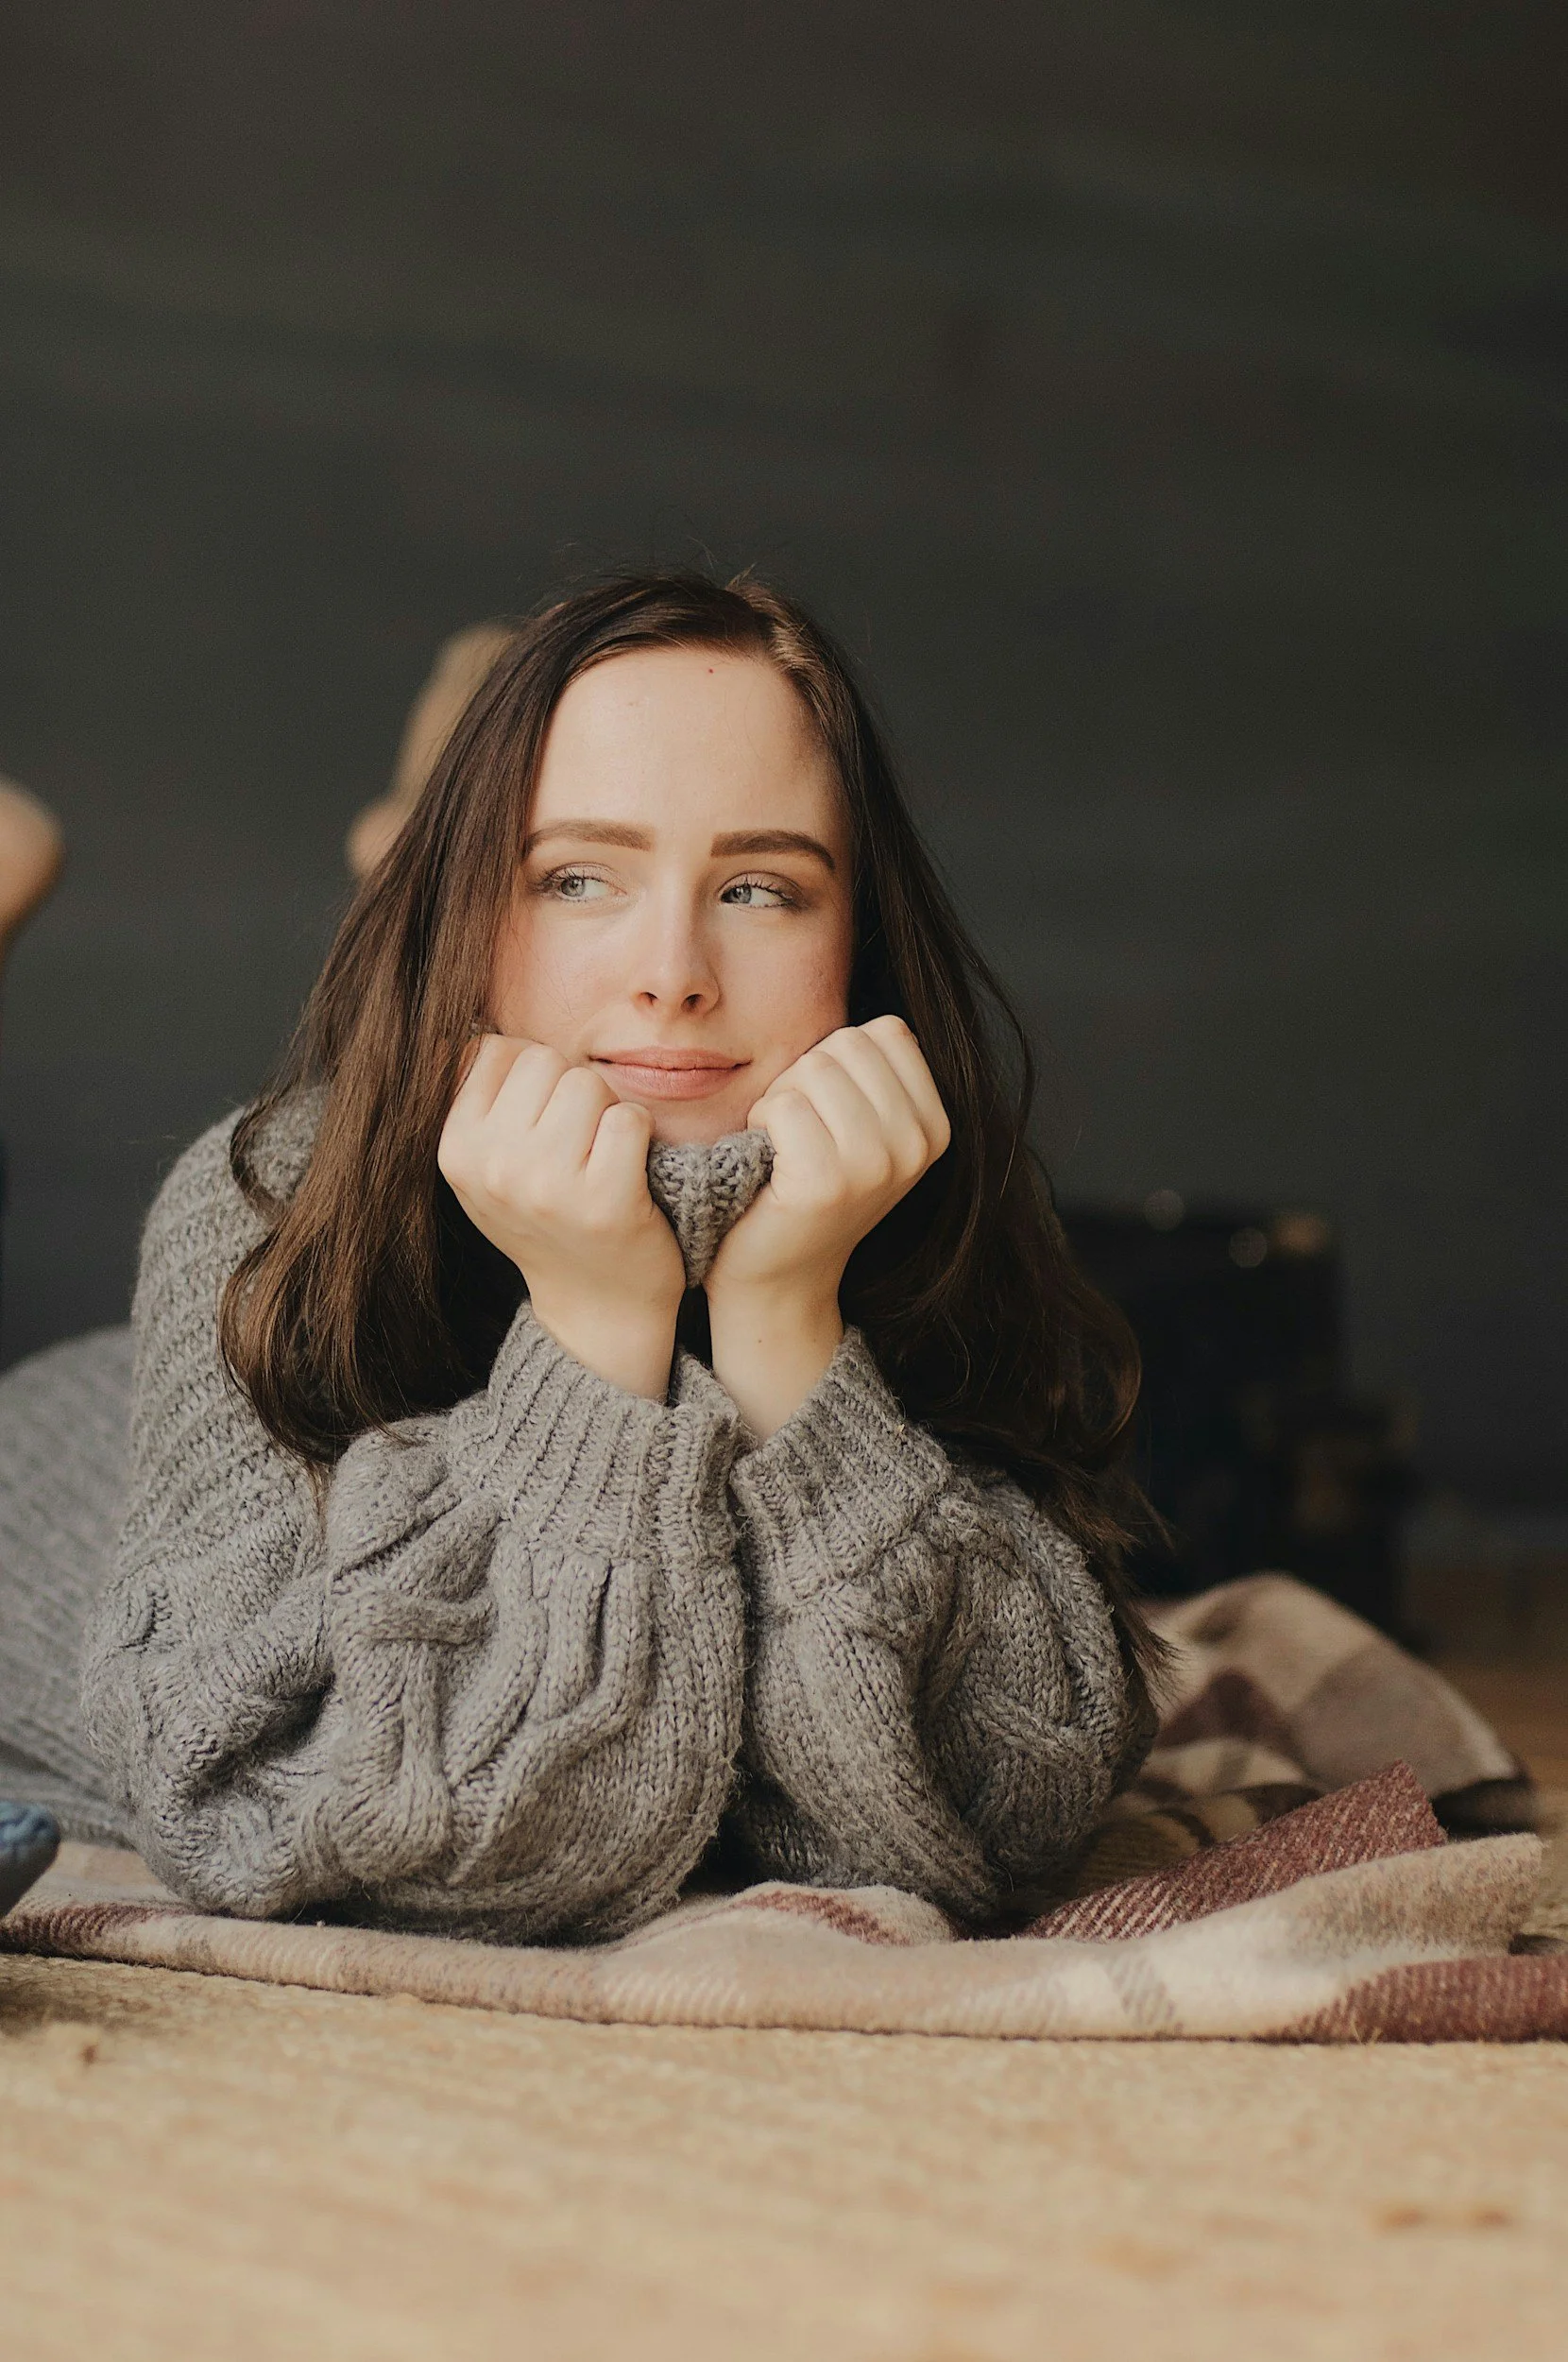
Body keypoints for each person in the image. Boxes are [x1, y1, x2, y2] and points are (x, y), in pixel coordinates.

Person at [3, 573, 1160, 1940]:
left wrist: (787, 1321)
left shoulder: (918, 1188)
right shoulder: (268, 1200)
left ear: (859, 940)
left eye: (758, 886)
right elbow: (426, 1840)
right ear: (466, 919)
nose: (674, 969)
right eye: (576, 879)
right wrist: (600, 1330)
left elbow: (1006, 1815)